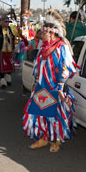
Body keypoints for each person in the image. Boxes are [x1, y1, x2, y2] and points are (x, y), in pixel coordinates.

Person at [22, 9, 78, 153]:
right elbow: (38, 67)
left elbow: (67, 68)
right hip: (42, 87)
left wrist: (60, 86)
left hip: (55, 89)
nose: (41, 34)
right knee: (39, 113)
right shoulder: (43, 48)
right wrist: (36, 82)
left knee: (55, 116)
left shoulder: (61, 48)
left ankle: (55, 141)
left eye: (44, 32)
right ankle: (43, 138)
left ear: (52, 32)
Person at [0, 14, 24, 88]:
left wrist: (19, 29)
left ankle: (8, 77)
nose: (7, 23)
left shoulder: (11, 29)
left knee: (10, 65)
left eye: (8, 22)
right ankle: (2, 81)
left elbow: (18, 34)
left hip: (10, 51)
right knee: (1, 66)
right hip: (1, 51)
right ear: (1, 22)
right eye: (5, 21)